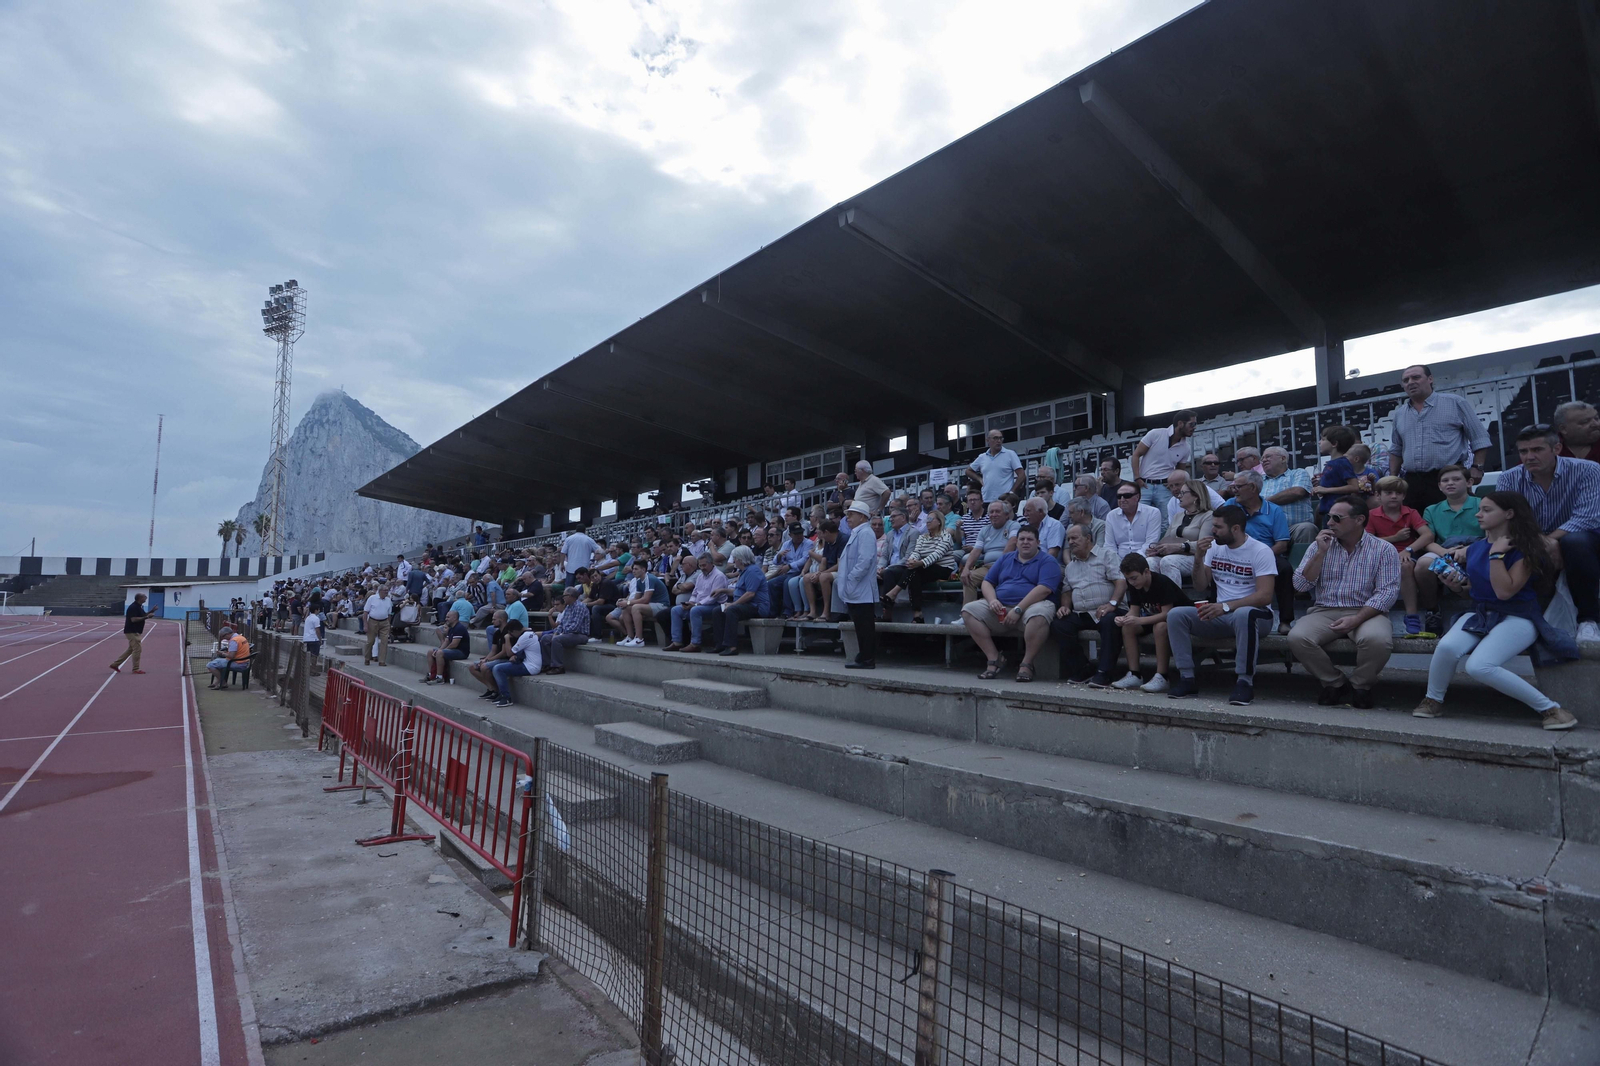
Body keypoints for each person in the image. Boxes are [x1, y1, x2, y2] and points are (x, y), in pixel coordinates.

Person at [1413, 492, 1578, 729]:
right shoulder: (1474, 548)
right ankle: (1432, 700)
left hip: (1519, 615)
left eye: (1487, 510)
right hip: (1482, 613)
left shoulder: (1525, 550)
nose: (1479, 514)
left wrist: (1497, 554)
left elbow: (1504, 592)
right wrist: (1456, 586)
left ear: (1509, 514)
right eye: (1480, 509)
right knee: (1447, 647)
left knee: (1479, 666)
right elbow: (1473, 592)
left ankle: (1552, 709)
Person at [1287, 498, 1401, 708]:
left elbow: (1387, 592)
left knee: (1377, 640)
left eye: (1337, 518)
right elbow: (1300, 586)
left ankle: (1361, 685)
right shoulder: (1318, 546)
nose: (1329, 523)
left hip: (1366, 610)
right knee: (1297, 637)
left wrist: (1356, 619)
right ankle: (1335, 683)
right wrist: (1321, 553)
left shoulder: (1383, 549)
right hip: (1325, 609)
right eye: (1329, 517)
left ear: (1359, 520)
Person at [1496, 423, 1600, 643]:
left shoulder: (1588, 470)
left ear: (1557, 449)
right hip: (1532, 538)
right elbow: (1507, 518)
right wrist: (1542, 542)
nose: (1529, 457)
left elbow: (1588, 517)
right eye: (1524, 451)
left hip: (1584, 537)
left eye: (1537, 450)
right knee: (1504, 545)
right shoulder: (1509, 478)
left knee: (1575, 542)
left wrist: (1552, 540)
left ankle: (1588, 621)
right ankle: (1518, 621)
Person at [1166, 505, 1279, 705]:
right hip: (1222, 614)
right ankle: (1187, 678)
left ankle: (1245, 682)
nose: (1212, 531)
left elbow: (1265, 596)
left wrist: (1227, 606)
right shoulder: (1215, 547)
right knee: (1176, 615)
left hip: (1257, 616)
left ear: (1235, 528)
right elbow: (1201, 585)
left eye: (1218, 527)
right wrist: (1199, 557)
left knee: (1245, 614)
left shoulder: (1261, 551)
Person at [964, 525, 1061, 682]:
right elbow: (987, 582)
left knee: (1040, 613)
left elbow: (1044, 589)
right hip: (1001, 608)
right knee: (969, 610)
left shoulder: (1047, 561)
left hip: (1031, 607)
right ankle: (994, 658)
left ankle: (1026, 664)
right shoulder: (1005, 558)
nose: (1025, 542)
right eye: (1021, 539)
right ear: (1016, 542)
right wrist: (992, 600)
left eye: (1030, 539)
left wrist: (1018, 609)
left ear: (1038, 542)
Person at [1388, 364, 1490, 510]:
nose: (1410, 382)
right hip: (1412, 483)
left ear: (1430, 379)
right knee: (1418, 529)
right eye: (1406, 380)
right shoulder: (1399, 414)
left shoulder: (1455, 403)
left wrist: (1477, 467)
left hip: (1448, 479)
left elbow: (1479, 437)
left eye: (1416, 377)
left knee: (1455, 526)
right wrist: (1393, 477)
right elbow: (1397, 448)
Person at [1409, 465, 1483, 635]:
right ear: (1440, 486)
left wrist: (1468, 550)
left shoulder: (1482, 504)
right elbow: (1428, 541)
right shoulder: (1432, 510)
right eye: (1445, 481)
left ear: (1469, 482)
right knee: (1423, 563)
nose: (1450, 483)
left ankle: (1483, 606)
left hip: (1477, 550)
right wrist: (1445, 553)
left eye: (1456, 479)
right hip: (1446, 554)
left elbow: (1492, 536)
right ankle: (1432, 610)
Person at [1048, 526, 1123, 685]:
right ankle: (1083, 669)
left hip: (1108, 610)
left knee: (1110, 621)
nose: (1070, 542)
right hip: (1082, 612)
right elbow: (1067, 591)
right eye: (1068, 539)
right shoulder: (1071, 567)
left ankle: (1104, 672)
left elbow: (1121, 582)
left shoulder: (1107, 555)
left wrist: (1112, 604)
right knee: (1059, 624)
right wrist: (1065, 606)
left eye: (1074, 538)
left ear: (1088, 538)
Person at [1227, 469, 1296, 633]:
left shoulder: (1274, 510)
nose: (1233, 490)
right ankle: (1220, 612)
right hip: (1234, 552)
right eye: (1233, 486)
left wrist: (1261, 557)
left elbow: (1281, 544)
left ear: (1252, 488)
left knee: (1285, 569)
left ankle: (1285, 621)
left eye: (1238, 486)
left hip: (1265, 553)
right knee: (1217, 565)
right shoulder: (1230, 505)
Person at [1111, 552, 1191, 692]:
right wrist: (1124, 619)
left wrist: (1139, 620)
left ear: (1146, 572)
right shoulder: (1135, 585)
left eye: (1134, 578)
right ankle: (1134, 674)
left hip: (1177, 622)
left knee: (1160, 627)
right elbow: (1134, 611)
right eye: (1128, 579)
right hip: (1151, 618)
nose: (1131, 582)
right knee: (1128, 627)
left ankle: (1162, 676)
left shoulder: (1162, 582)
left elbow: (1167, 614)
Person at [1365, 475, 1433, 636]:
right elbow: (1367, 541)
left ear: (1404, 496)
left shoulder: (1410, 513)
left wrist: (1408, 550)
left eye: (1398, 493)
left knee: (1406, 565)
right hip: (1380, 556)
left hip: (1405, 555)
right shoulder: (1372, 515)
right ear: (1378, 495)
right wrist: (1394, 538)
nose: (1394, 496)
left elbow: (1427, 535)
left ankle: (1412, 615)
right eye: (1388, 493)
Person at [877, 522, 959, 624]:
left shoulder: (945, 536)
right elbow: (916, 552)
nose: (928, 522)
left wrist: (920, 563)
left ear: (938, 522)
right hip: (922, 568)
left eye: (931, 519)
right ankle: (892, 613)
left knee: (915, 571)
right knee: (892, 572)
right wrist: (912, 560)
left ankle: (895, 594)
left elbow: (937, 554)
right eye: (927, 520)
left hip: (942, 568)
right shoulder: (923, 537)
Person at [838, 501, 881, 669]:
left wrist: (851, 578)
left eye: (851, 514)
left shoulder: (865, 533)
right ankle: (863, 656)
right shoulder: (858, 532)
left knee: (865, 626)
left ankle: (867, 659)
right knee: (860, 626)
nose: (848, 518)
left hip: (860, 588)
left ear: (862, 517)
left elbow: (865, 560)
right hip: (856, 588)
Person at [1130, 410, 1197, 510]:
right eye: (1192, 424)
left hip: (1165, 488)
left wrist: (1172, 485)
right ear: (1180, 423)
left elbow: (1180, 472)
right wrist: (1137, 478)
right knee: (1140, 516)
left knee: (1167, 520)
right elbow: (1136, 455)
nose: (1194, 427)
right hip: (1144, 485)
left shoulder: (1186, 448)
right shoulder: (1155, 434)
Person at [1151, 484, 1213, 588]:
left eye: (1183, 493)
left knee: (1168, 561)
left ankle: (1175, 600)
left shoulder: (1209, 515)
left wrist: (1180, 546)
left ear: (1196, 496)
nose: (1179, 496)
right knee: (1150, 562)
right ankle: (1155, 601)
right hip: (1176, 556)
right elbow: (1166, 540)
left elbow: (1204, 545)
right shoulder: (1177, 516)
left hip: (1198, 558)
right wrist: (1156, 549)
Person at [666, 554, 730, 652]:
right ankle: (677, 642)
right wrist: (690, 602)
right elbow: (695, 593)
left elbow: (712, 597)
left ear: (711, 563)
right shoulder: (700, 576)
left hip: (714, 605)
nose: (702, 568)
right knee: (676, 610)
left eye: (704, 565)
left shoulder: (719, 576)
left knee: (695, 610)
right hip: (699, 604)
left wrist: (696, 605)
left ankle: (695, 643)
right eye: (700, 566)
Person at [712, 546, 769, 655]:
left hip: (757, 607)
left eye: (735, 558)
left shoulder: (753, 571)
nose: (734, 561)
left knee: (731, 610)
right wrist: (723, 590)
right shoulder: (743, 571)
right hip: (745, 604)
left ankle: (732, 646)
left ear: (741, 559)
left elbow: (750, 594)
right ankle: (720, 644)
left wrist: (732, 604)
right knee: (717, 611)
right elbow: (739, 592)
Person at [960, 501, 1020, 603]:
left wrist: (1000, 564)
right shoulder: (984, 530)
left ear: (1006, 515)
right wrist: (966, 568)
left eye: (997, 511)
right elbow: (976, 550)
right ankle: (967, 612)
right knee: (969, 577)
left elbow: (1012, 542)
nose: (994, 514)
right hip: (988, 567)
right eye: (991, 512)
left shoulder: (1013, 525)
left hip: (1007, 566)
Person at [1259, 447, 1317, 543]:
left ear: (1283, 458)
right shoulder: (1258, 480)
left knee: (1307, 528)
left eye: (1268, 457)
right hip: (1266, 530)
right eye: (1262, 458)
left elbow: (1297, 492)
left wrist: (1263, 502)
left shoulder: (1298, 473)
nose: (1264, 460)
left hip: (1293, 528)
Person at [614, 559, 670, 646]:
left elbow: (645, 599)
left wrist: (628, 602)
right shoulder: (638, 580)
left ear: (643, 570)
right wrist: (624, 601)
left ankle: (639, 639)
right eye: (633, 569)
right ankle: (630, 637)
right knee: (626, 608)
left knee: (636, 608)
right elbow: (636, 598)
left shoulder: (649, 578)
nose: (633, 571)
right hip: (650, 605)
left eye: (636, 569)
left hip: (662, 605)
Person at [1104, 482, 1164, 560]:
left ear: (1137, 497)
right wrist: (1116, 562)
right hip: (1119, 559)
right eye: (1119, 496)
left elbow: (1151, 542)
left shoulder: (1153, 513)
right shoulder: (1111, 515)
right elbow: (1109, 545)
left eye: (1127, 496)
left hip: (1145, 557)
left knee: (1151, 562)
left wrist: (1133, 559)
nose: (1122, 499)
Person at [540, 586, 591, 674]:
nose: (563, 597)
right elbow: (562, 623)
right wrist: (556, 632)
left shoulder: (580, 607)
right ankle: (547, 664)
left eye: (564, 595)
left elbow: (575, 627)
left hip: (580, 635)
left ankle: (558, 666)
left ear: (571, 596)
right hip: (568, 634)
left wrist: (560, 634)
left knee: (556, 640)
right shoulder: (568, 607)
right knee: (545, 638)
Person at [800, 519, 844, 620]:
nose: (819, 536)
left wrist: (821, 574)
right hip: (828, 571)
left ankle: (826, 612)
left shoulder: (842, 539)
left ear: (826, 532)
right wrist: (818, 573)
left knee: (823, 577)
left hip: (841, 570)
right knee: (807, 578)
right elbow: (824, 561)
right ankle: (813, 611)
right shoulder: (828, 541)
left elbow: (840, 565)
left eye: (820, 533)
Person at [967, 429, 1025, 504]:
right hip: (986, 499)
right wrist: (980, 479)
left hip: (1004, 500)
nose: (999, 441)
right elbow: (968, 471)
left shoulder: (1010, 454)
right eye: (995, 438)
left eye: (1001, 438)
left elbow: (1022, 475)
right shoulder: (982, 457)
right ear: (987, 440)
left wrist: (1012, 492)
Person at [421, 610, 470, 684]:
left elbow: (454, 644)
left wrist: (440, 651)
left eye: (448, 617)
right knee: (430, 651)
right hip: (454, 650)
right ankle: (432, 675)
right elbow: (446, 641)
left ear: (454, 618)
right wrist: (439, 649)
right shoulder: (451, 628)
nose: (446, 618)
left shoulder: (459, 628)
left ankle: (440, 678)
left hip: (461, 652)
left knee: (440, 653)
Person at [110, 592, 150, 674]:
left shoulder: (139, 607)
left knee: (131, 649)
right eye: (144, 597)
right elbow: (133, 619)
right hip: (132, 631)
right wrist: (146, 617)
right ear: (139, 598)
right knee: (137, 649)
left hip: (135, 631)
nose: (146, 598)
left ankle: (115, 664)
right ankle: (136, 669)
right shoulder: (133, 607)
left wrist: (151, 611)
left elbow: (143, 615)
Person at [361, 584, 392, 667]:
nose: (386, 592)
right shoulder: (372, 598)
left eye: (387, 590)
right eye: (384, 590)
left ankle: (382, 661)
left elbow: (389, 614)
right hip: (372, 621)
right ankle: (367, 658)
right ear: (380, 591)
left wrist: (388, 624)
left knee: (384, 642)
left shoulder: (388, 600)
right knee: (370, 641)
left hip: (384, 622)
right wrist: (365, 625)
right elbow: (365, 612)